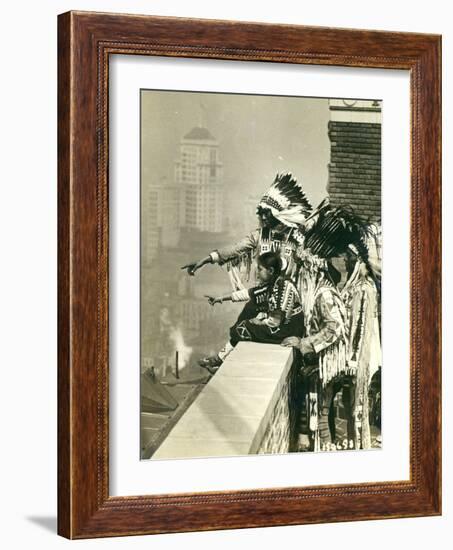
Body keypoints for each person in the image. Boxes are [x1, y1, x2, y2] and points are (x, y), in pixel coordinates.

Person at [281, 203, 373, 451]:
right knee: (320, 416)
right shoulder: (325, 292)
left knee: (320, 417)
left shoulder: (324, 294)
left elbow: (336, 329)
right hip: (323, 365)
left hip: (327, 365)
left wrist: (305, 343)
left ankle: (324, 456)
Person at [181, 173, 312, 286]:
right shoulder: (259, 236)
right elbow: (235, 249)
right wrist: (205, 260)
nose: (264, 217)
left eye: (267, 213)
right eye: (262, 213)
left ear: (278, 213)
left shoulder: (297, 237)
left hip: (289, 301)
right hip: (262, 297)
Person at [198, 252, 304, 374]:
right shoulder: (273, 284)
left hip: (289, 330)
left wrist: (259, 322)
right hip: (283, 326)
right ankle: (220, 359)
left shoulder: (283, 287)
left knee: (245, 327)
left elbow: (275, 322)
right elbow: (249, 293)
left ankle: (220, 360)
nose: (257, 273)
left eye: (260, 269)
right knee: (246, 321)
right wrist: (220, 298)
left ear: (270, 270)